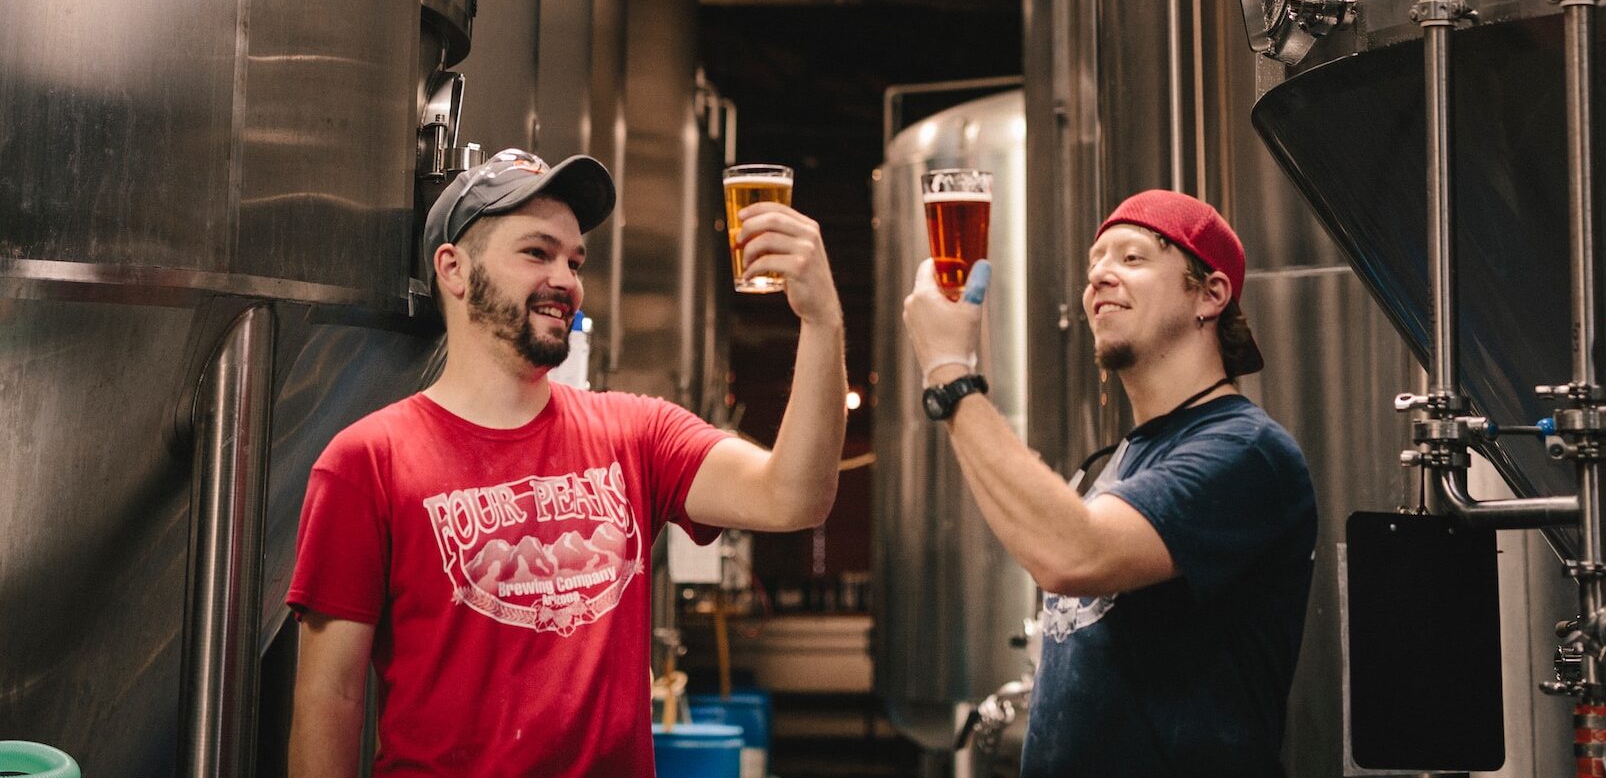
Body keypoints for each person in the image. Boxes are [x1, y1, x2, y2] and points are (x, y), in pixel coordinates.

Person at [287, 147, 847, 777]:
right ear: (454, 269)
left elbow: (795, 495)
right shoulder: (366, 463)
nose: (567, 279)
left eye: (574, 260)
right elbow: (329, 700)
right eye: (537, 253)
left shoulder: (637, 433)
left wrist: (822, 320)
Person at [901, 189, 1316, 778]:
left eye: (1132, 258)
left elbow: (1072, 554)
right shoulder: (1120, 460)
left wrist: (951, 373)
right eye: (1095, 262)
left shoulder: (1245, 451)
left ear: (1211, 294)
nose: (1099, 276)